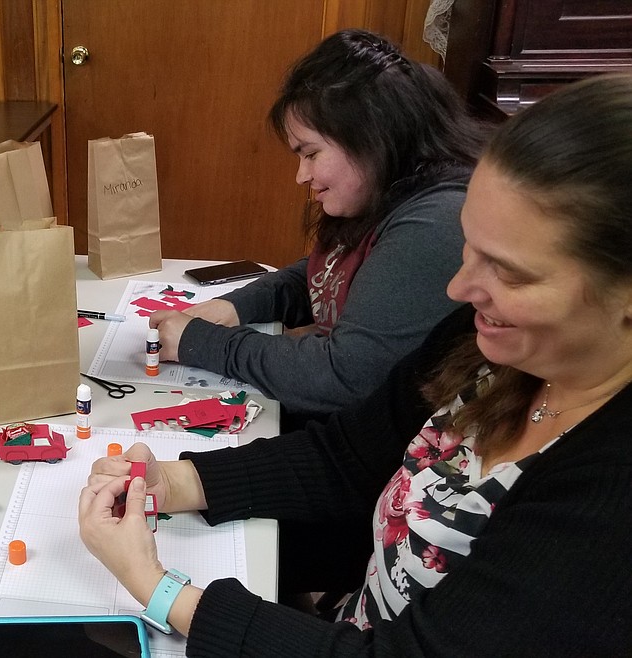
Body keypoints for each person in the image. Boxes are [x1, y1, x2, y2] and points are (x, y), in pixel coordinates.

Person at [78, 73, 632, 655]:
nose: (460, 286)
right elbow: (348, 456)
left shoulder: (608, 496)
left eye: (510, 272)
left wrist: (159, 588)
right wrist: (179, 482)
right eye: (468, 247)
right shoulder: (494, 347)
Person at [152, 29, 486, 419]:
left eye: (310, 153)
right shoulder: (387, 190)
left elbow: (342, 375)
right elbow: (324, 276)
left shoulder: (434, 223)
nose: (301, 175)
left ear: (371, 136)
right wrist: (235, 306)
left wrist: (204, 344)